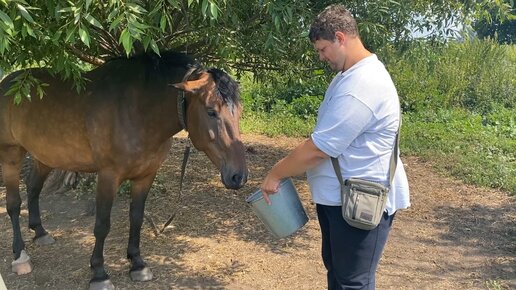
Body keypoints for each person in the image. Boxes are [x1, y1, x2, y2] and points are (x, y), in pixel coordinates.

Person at [260, 4, 410, 290]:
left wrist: (276, 173)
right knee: (339, 276)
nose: (321, 57)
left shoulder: (364, 83)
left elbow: (320, 148)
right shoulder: (347, 77)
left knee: (353, 282)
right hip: (341, 200)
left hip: (361, 201)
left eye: (323, 49)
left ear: (341, 38)